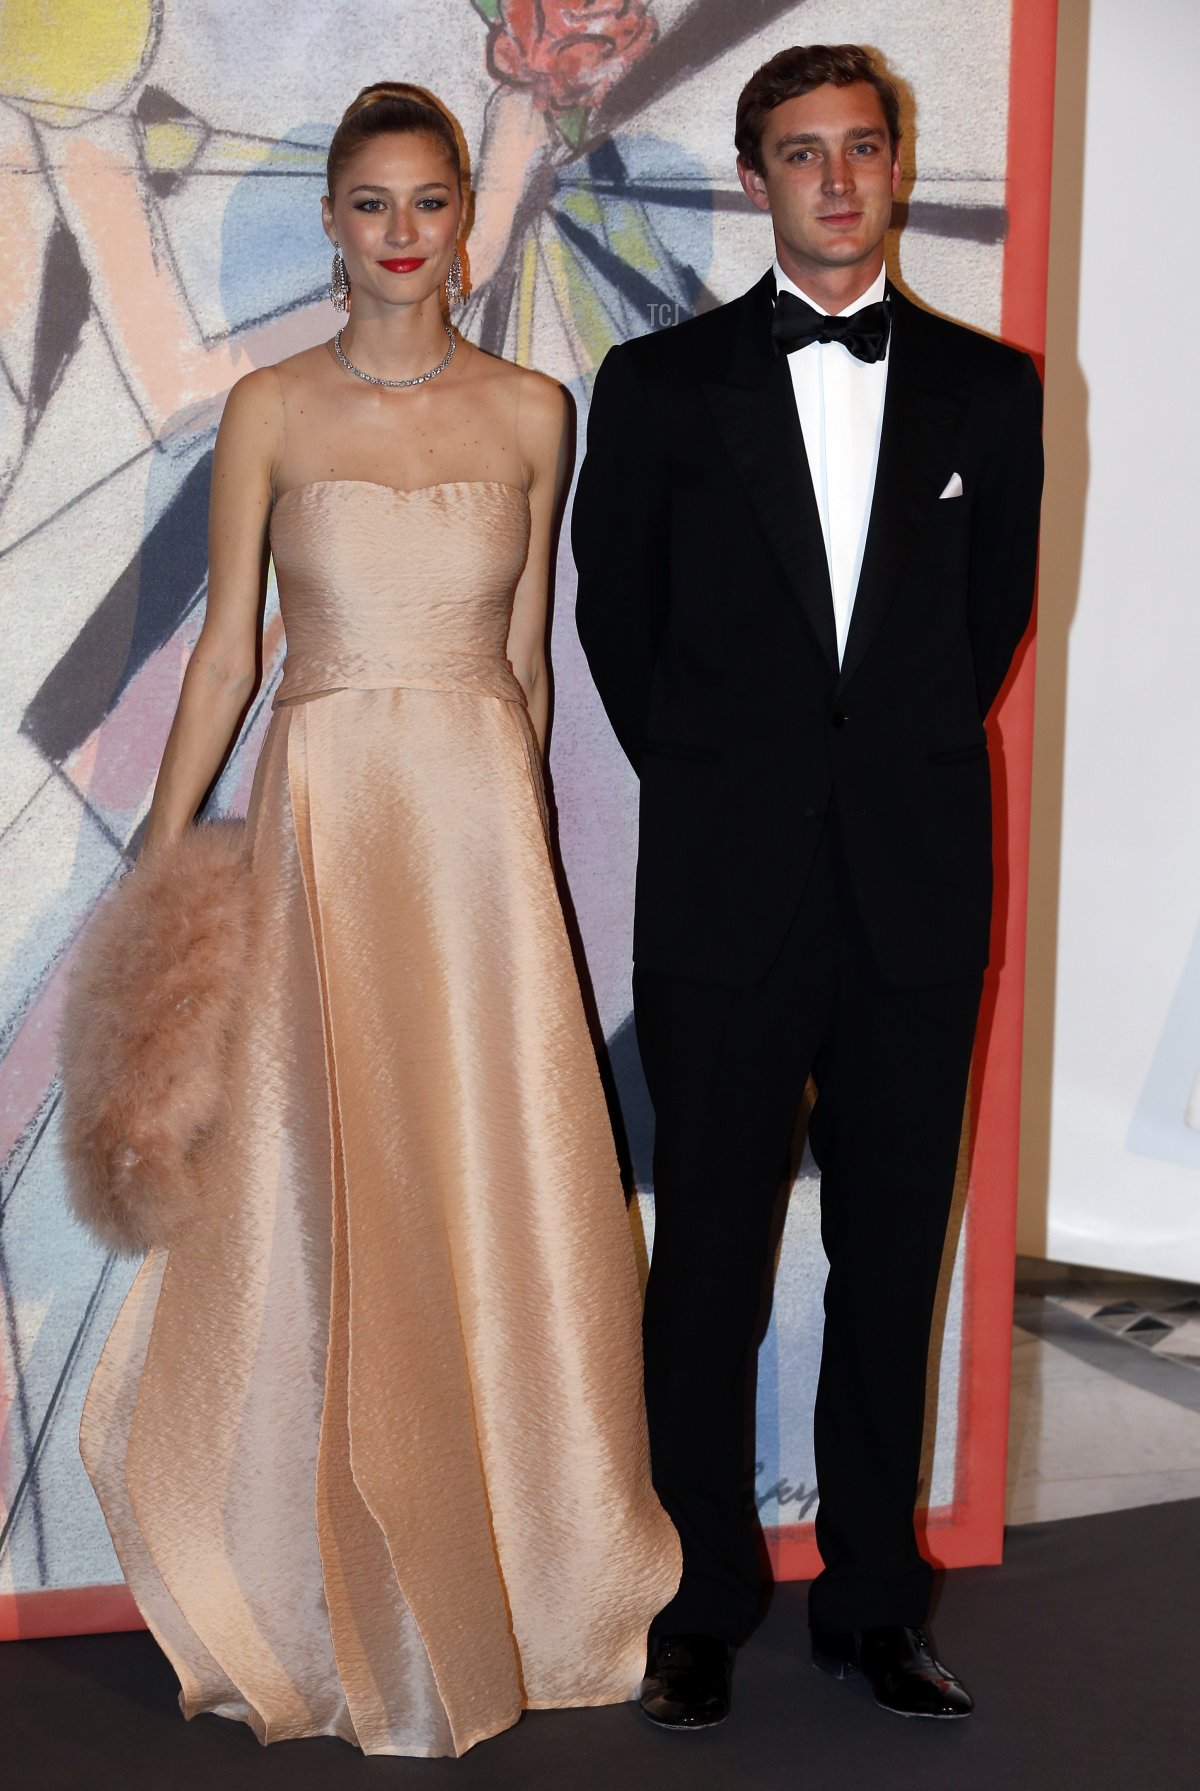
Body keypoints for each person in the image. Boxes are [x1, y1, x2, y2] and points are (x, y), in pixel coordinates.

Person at [80, 81, 680, 1759]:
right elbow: (229, 654)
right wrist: (158, 864)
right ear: (334, 223)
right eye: (371, 203)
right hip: (327, 822)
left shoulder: (536, 412)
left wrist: (530, 879)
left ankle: (523, 1571)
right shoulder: (271, 407)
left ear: (463, 213)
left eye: (429, 201)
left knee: (483, 1171)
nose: (403, 233)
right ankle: (322, 1587)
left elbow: (527, 669)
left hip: (479, 844)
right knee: (327, 1177)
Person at [573, 43, 1043, 1728]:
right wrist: (731, 788)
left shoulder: (996, 392)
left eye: (860, 148)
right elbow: (617, 627)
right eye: (800, 152)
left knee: (891, 1256)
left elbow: (986, 626)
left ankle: (872, 1604)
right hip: (725, 892)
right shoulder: (658, 388)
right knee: (704, 1255)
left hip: (916, 892)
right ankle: (695, 1601)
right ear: (754, 176)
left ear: (897, 168)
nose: (836, 180)